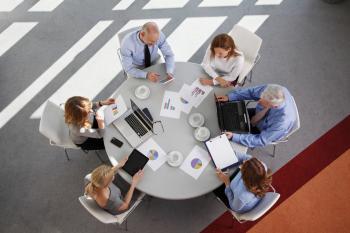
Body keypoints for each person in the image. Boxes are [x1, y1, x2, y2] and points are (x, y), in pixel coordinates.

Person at [216, 84, 296, 148]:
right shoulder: (273, 89)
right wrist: (230, 97)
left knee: (224, 139)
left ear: (273, 106)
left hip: (262, 131)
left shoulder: (282, 123)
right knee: (227, 114)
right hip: (257, 114)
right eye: (261, 97)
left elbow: (261, 140)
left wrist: (234, 137)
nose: (258, 100)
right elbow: (251, 92)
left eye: (263, 101)